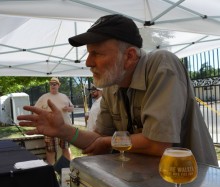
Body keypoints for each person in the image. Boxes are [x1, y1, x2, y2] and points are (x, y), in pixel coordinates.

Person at [18, 14, 218, 166]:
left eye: (96, 53)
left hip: (191, 183)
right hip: (149, 182)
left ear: (130, 56)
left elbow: (159, 144)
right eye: (88, 54)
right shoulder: (113, 85)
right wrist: (64, 130)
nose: (88, 62)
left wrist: (107, 142)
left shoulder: (161, 64)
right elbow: (98, 139)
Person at [34, 77, 74, 165]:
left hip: (65, 127)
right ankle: (51, 170)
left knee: (66, 149)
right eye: (51, 84)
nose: (53, 86)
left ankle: (67, 169)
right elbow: (35, 111)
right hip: (50, 129)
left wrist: (68, 108)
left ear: (59, 85)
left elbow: (72, 108)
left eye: (55, 84)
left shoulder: (64, 96)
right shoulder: (44, 97)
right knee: (50, 150)